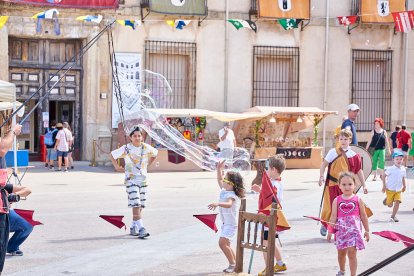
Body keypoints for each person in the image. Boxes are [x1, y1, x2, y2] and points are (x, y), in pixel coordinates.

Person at [110, 126, 158, 239]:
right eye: (135, 136)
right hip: (131, 180)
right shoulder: (127, 148)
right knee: (136, 203)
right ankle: (141, 228)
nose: (137, 138)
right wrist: (117, 166)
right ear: (130, 138)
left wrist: (147, 166)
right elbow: (112, 155)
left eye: (139, 136)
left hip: (143, 180)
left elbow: (155, 154)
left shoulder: (146, 148)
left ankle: (133, 227)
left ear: (142, 137)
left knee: (140, 205)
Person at [319, 129, 368, 237]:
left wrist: (364, 185)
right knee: (330, 207)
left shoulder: (354, 155)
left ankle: (340, 229)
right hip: (332, 184)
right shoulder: (333, 152)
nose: (343, 141)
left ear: (350, 140)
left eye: (345, 139)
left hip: (346, 186)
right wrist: (321, 176)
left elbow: (359, 171)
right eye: (341, 139)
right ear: (338, 140)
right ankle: (325, 224)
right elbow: (324, 165)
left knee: (343, 208)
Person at [328, 172, 370, 276]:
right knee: (341, 253)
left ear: (355, 185)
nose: (347, 187)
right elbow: (333, 216)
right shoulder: (336, 200)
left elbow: (364, 216)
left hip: (353, 232)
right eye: (344, 184)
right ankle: (342, 271)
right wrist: (329, 231)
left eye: (350, 184)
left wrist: (367, 231)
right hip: (341, 232)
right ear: (339, 186)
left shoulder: (358, 199)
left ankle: (353, 274)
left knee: (352, 253)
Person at [251, 155, 288, 275]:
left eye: (267, 168)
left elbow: (271, 199)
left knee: (265, 243)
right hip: (273, 216)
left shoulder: (275, 184)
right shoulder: (274, 182)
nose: (266, 171)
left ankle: (268, 267)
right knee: (271, 241)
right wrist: (261, 190)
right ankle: (280, 264)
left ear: (273, 169)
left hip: (271, 217)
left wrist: (259, 191)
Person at [207, 161, 245, 273]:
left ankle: (232, 264)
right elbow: (219, 179)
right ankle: (236, 263)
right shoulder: (224, 190)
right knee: (226, 244)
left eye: (225, 179)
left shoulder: (231, 195)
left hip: (231, 224)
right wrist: (218, 168)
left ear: (230, 184)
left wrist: (217, 204)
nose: (222, 180)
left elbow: (229, 204)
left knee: (222, 243)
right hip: (226, 223)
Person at [382, 151, 406, 222]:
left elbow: (403, 178)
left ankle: (393, 216)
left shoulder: (403, 169)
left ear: (402, 160)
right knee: (389, 205)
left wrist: (404, 186)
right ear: (393, 160)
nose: (399, 161)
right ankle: (388, 199)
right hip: (390, 189)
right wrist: (384, 185)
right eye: (397, 159)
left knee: (397, 202)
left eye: (400, 159)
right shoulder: (390, 169)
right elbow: (383, 176)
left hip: (398, 190)